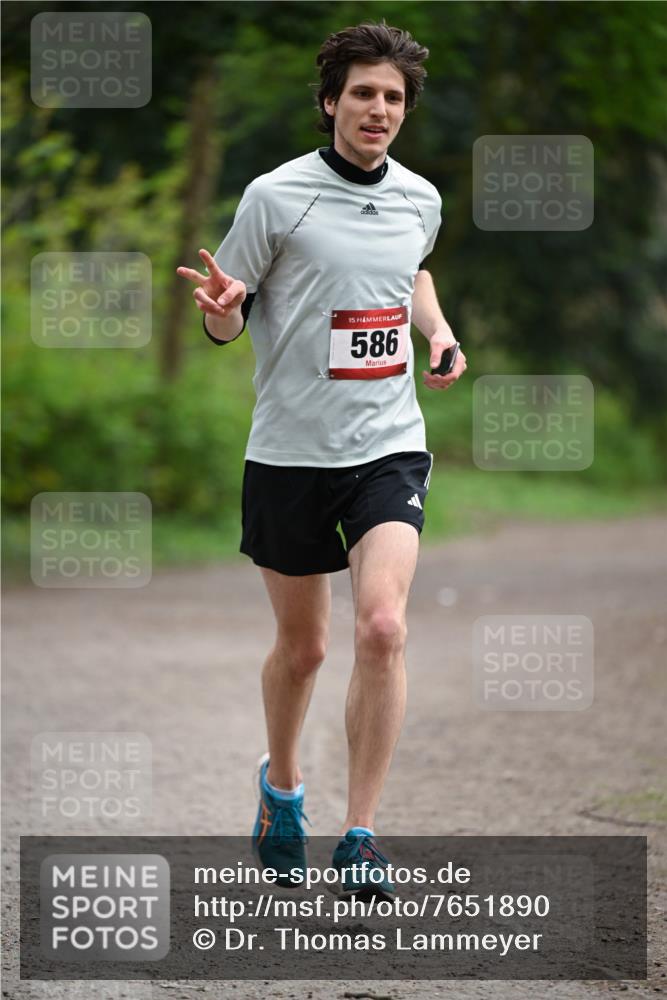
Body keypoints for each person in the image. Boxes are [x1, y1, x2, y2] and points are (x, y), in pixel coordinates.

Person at [177, 20, 466, 898]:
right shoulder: (276, 197)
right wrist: (226, 310)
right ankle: (282, 790)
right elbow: (222, 314)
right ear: (330, 102)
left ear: (404, 109)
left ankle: (362, 834)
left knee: (382, 626)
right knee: (303, 651)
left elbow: (411, 270)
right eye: (363, 93)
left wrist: (439, 331)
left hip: (386, 443)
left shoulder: (419, 198)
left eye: (392, 97)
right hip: (289, 452)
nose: (377, 109)